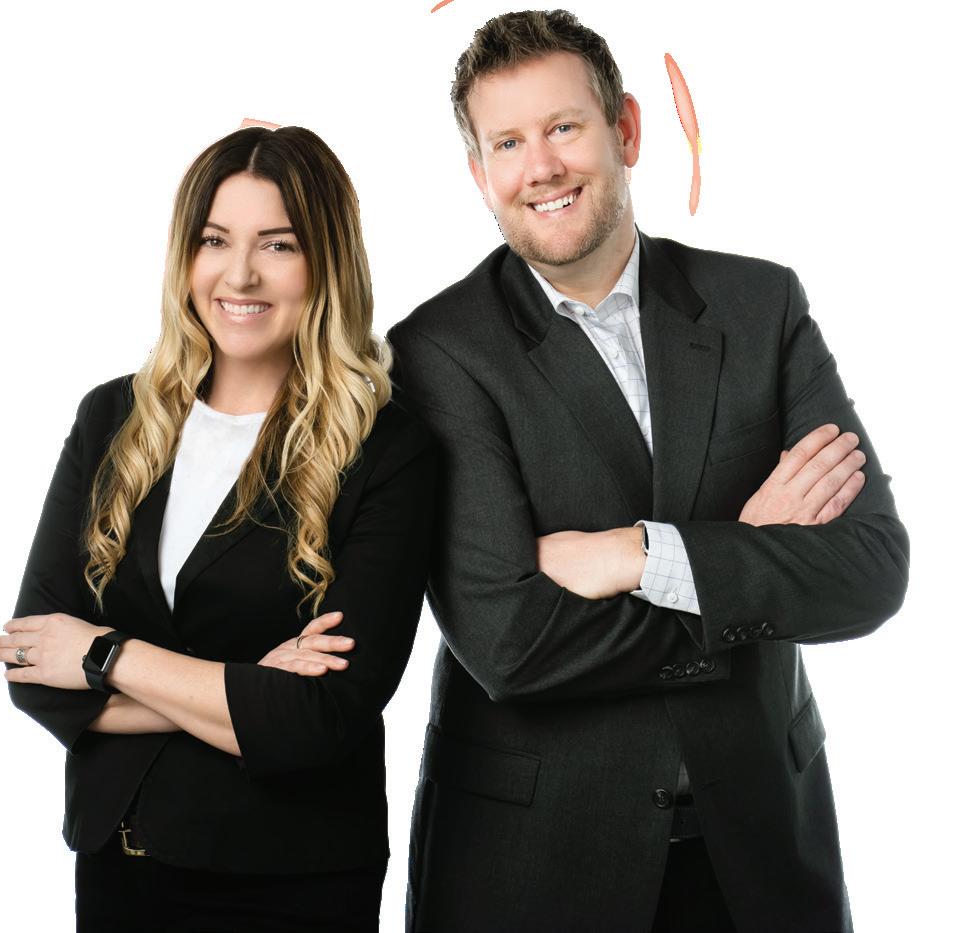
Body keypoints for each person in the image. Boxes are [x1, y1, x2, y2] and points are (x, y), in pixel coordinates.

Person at [388, 10, 909, 933]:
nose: (540, 167)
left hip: (757, 853)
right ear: (478, 173)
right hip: (536, 862)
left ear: (624, 129)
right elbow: (510, 642)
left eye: (563, 127)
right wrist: (743, 555)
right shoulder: (438, 352)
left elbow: (870, 570)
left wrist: (637, 554)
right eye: (507, 143)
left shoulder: (759, 304)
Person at [0, 124, 436, 932]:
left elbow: (320, 717)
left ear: (326, 261)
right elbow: (31, 669)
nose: (240, 274)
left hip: (290, 882)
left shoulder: (386, 448)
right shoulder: (112, 418)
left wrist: (104, 657)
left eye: (278, 244)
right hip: (119, 871)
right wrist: (245, 685)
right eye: (215, 240)